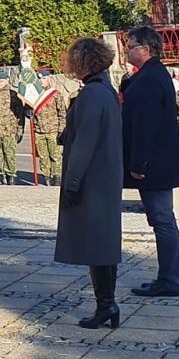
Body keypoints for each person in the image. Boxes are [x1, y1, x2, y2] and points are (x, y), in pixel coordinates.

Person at [54, 38, 124, 329]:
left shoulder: (93, 95)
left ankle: (106, 304)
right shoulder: (104, 90)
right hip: (104, 176)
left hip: (92, 179)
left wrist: (72, 181)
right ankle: (106, 304)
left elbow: (85, 141)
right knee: (103, 243)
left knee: (98, 244)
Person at [121, 26, 179, 298]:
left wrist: (139, 165)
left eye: (130, 46)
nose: (126, 50)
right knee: (164, 220)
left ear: (145, 50)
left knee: (161, 220)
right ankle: (173, 277)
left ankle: (170, 280)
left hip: (153, 166)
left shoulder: (149, 79)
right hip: (158, 163)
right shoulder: (150, 75)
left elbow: (146, 127)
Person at [29, 67, 68, 186]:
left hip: (53, 130)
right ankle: (46, 177)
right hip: (39, 130)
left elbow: (62, 113)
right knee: (43, 156)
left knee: (55, 156)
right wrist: (27, 111)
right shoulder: (34, 95)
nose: (41, 81)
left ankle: (57, 178)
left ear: (49, 79)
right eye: (40, 79)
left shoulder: (55, 94)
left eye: (44, 79)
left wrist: (61, 130)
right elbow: (29, 109)